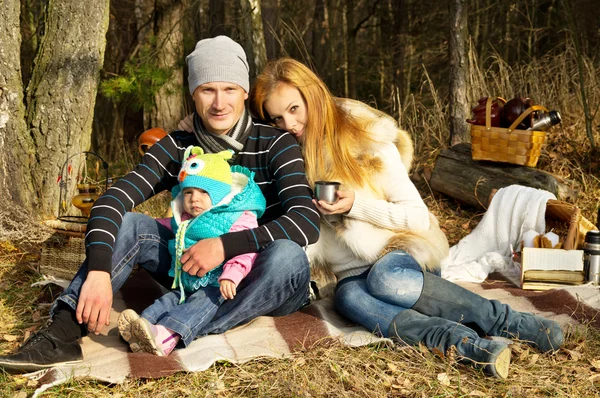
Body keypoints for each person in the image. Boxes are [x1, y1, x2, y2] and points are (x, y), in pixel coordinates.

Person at [0, 37, 320, 372]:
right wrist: (98, 268)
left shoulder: (275, 142)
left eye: (229, 89)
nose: (219, 102)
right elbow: (113, 200)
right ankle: (61, 335)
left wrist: (224, 246)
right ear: (193, 94)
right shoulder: (178, 146)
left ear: (243, 91)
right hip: (190, 268)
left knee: (288, 255)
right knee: (131, 223)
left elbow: (305, 221)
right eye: (207, 90)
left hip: (258, 273)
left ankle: (175, 327)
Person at [248, 58, 564, 378]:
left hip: (403, 259)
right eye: (276, 118)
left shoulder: (365, 143)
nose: (288, 124)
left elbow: (417, 218)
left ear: (312, 98)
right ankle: (465, 345)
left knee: (385, 278)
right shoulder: (287, 161)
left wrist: (355, 205)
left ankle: (510, 322)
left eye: (293, 109)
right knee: (347, 297)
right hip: (353, 277)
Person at [118, 146, 266, 356]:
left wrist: (231, 276)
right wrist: (150, 223)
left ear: (219, 194)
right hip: (188, 282)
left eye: (203, 192)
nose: (194, 199)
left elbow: (246, 248)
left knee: (196, 306)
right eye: (188, 192)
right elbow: (170, 226)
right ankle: (142, 326)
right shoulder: (186, 217)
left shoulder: (237, 216)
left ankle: (166, 335)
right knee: (168, 300)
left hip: (218, 286)